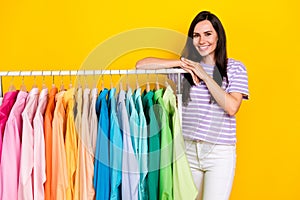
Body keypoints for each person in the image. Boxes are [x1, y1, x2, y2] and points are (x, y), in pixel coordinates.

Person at [136, 11, 249, 200]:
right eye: (196, 35)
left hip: (219, 152)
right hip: (187, 149)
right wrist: (181, 63)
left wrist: (204, 75)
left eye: (208, 34)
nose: (202, 40)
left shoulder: (234, 68)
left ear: (218, 36)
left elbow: (231, 107)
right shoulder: (183, 71)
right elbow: (141, 65)